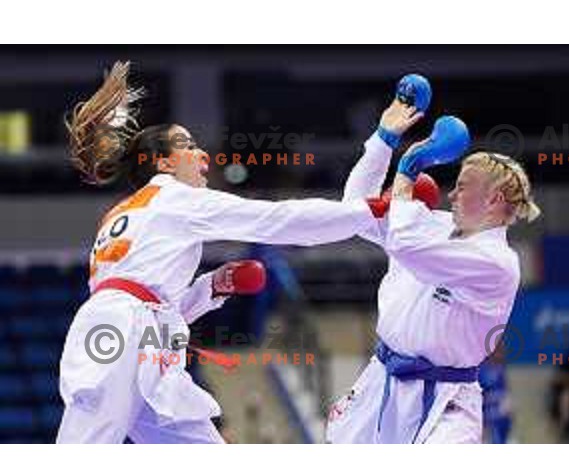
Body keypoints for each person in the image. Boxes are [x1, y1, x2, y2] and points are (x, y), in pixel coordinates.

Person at [56, 61, 387, 444]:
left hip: (133, 331)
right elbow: (277, 219)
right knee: (86, 442)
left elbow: (156, 304)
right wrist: (360, 213)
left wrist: (213, 286)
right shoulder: (175, 198)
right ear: (163, 162)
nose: (202, 155)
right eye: (189, 145)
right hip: (123, 330)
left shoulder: (121, 213)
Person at [326, 75, 541, 443]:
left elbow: (408, 245)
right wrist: (384, 139)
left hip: (446, 401)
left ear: (493, 200)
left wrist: (409, 166)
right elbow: (354, 210)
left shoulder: (496, 263)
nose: (451, 193)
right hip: (380, 379)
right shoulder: (432, 224)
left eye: (462, 186)